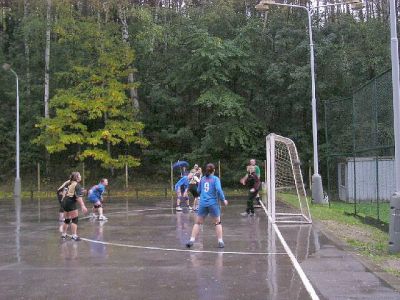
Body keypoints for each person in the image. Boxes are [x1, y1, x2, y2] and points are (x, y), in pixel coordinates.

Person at [186, 163, 228, 249]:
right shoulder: (215, 179)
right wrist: (223, 199)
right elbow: (219, 190)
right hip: (212, 203)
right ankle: (220, 241)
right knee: (217, 222)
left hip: (203, 203)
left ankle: (191, 240)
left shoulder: (203, 179)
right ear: (214, 170)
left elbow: (198, 191)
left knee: (198, 223)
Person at [60, 172, 88, 241]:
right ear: (77, 177)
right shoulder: (77, 185)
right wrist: (83, 206)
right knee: (75, 219)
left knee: (67, 220)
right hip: (70, 202)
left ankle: (63, 234)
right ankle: (74, 236)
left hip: (65, 201)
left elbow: (65, 192)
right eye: (80, 175)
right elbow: (78, 197)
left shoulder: (70, 183)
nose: (81, 176)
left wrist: (63, 201)